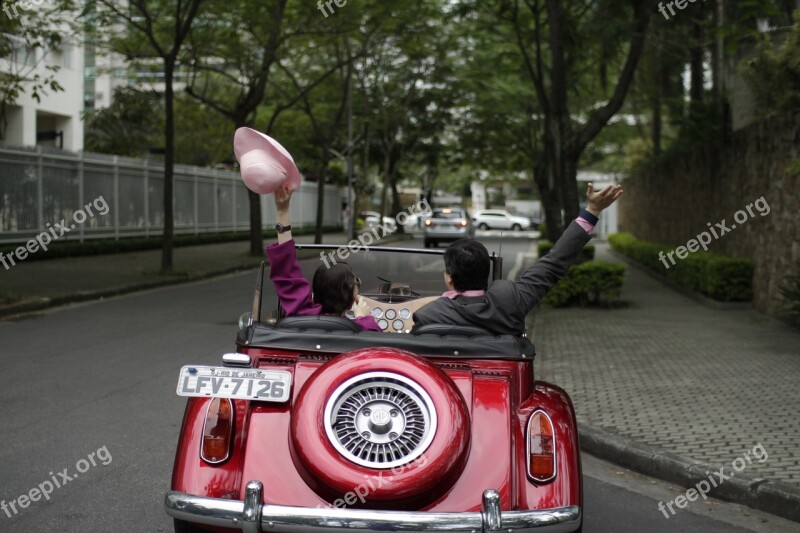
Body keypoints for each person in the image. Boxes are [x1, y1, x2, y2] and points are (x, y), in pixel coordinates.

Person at [411, 183, 623, 336]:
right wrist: (592, 211)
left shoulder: (428, 315)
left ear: (449, 278)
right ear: (486, 273)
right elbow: (554, 262)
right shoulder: (510, 301)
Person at [265, 186, 381, 331]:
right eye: (355, 281)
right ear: (350, 297)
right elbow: (376, 348)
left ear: (314, 295)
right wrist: (363, 317)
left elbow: (286, 270)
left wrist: (282, 210)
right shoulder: (362, 328)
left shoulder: (301, 314)